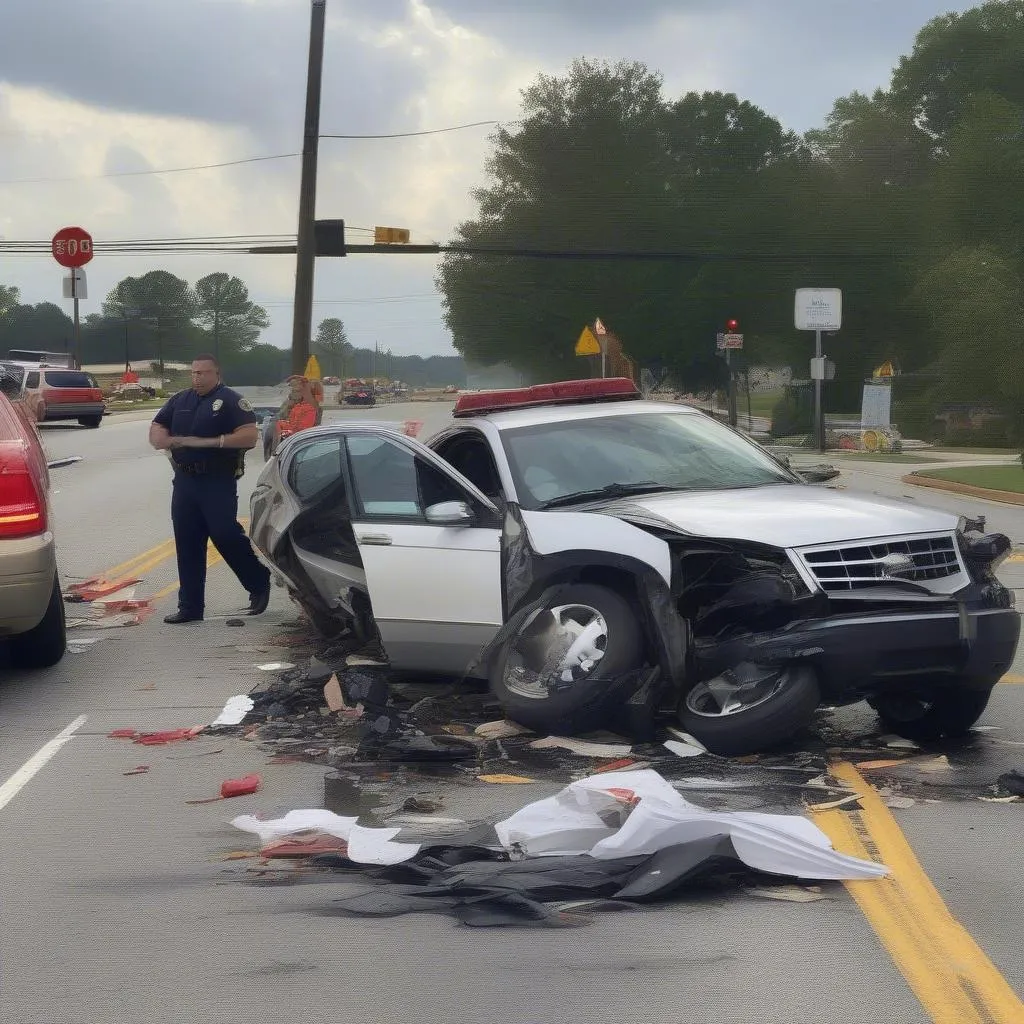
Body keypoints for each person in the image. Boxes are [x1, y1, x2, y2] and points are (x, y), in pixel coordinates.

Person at [149, 355, 271, 624]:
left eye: (203, 373)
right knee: (188, 541)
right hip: (184, 481)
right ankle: (190, 607)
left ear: (217, 374)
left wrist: (208, 442)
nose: (197, 378)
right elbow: (158, 425)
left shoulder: (230, 400)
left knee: (224, 533)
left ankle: (258, 580)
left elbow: (250, 436)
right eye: (194, 373)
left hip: (217, 479)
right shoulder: (180, 400)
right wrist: (161, 437)